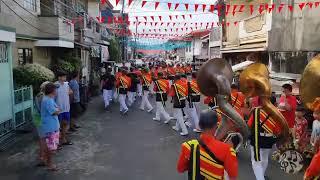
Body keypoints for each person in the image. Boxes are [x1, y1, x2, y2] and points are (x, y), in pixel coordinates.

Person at [177, 109, 238, 180]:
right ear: (216, 126)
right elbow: (233, 176)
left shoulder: (188, 146)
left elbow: (180, 169)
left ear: (200, 125)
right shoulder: (227, 150)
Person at [247, 106, 281, 180]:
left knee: (256, 161)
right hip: (268, 139)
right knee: (265, 158)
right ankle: (261, 175)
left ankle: (260, 178)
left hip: (256, 137)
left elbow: (249, 124)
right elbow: (277, 130)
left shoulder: (256, 111)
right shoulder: (275, 113)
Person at [39, 83, 61, 171]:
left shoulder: (49, 99)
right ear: (52, 90)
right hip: (50, 127)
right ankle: (49, 164)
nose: (56, 91)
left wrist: (58, 110)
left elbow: (57, 109)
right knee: (51, 148)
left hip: (52, 126)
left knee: (52, 147)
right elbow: (55, 111)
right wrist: (58, 110)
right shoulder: (47, 100)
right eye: (55, 89)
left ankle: (48, 162)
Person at [34, 81, 50, 166]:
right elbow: (41, 110)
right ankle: (43, 158)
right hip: (40, 119)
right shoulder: (41, 96)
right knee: (43, 140)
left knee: (42, 139)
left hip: (40, 119)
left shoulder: (42, 95)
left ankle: (43, 157)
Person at [55, 71, 73, 146]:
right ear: (59, 77)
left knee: (66, 124)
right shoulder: (55, 85)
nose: (64, 78)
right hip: (58, 109)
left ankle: (63, 139)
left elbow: (71, 92)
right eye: (63, 77)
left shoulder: (66, 84)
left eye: (65, 77)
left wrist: (68, 93)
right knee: (58, 126)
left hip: (66, 108)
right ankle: (57, 142)